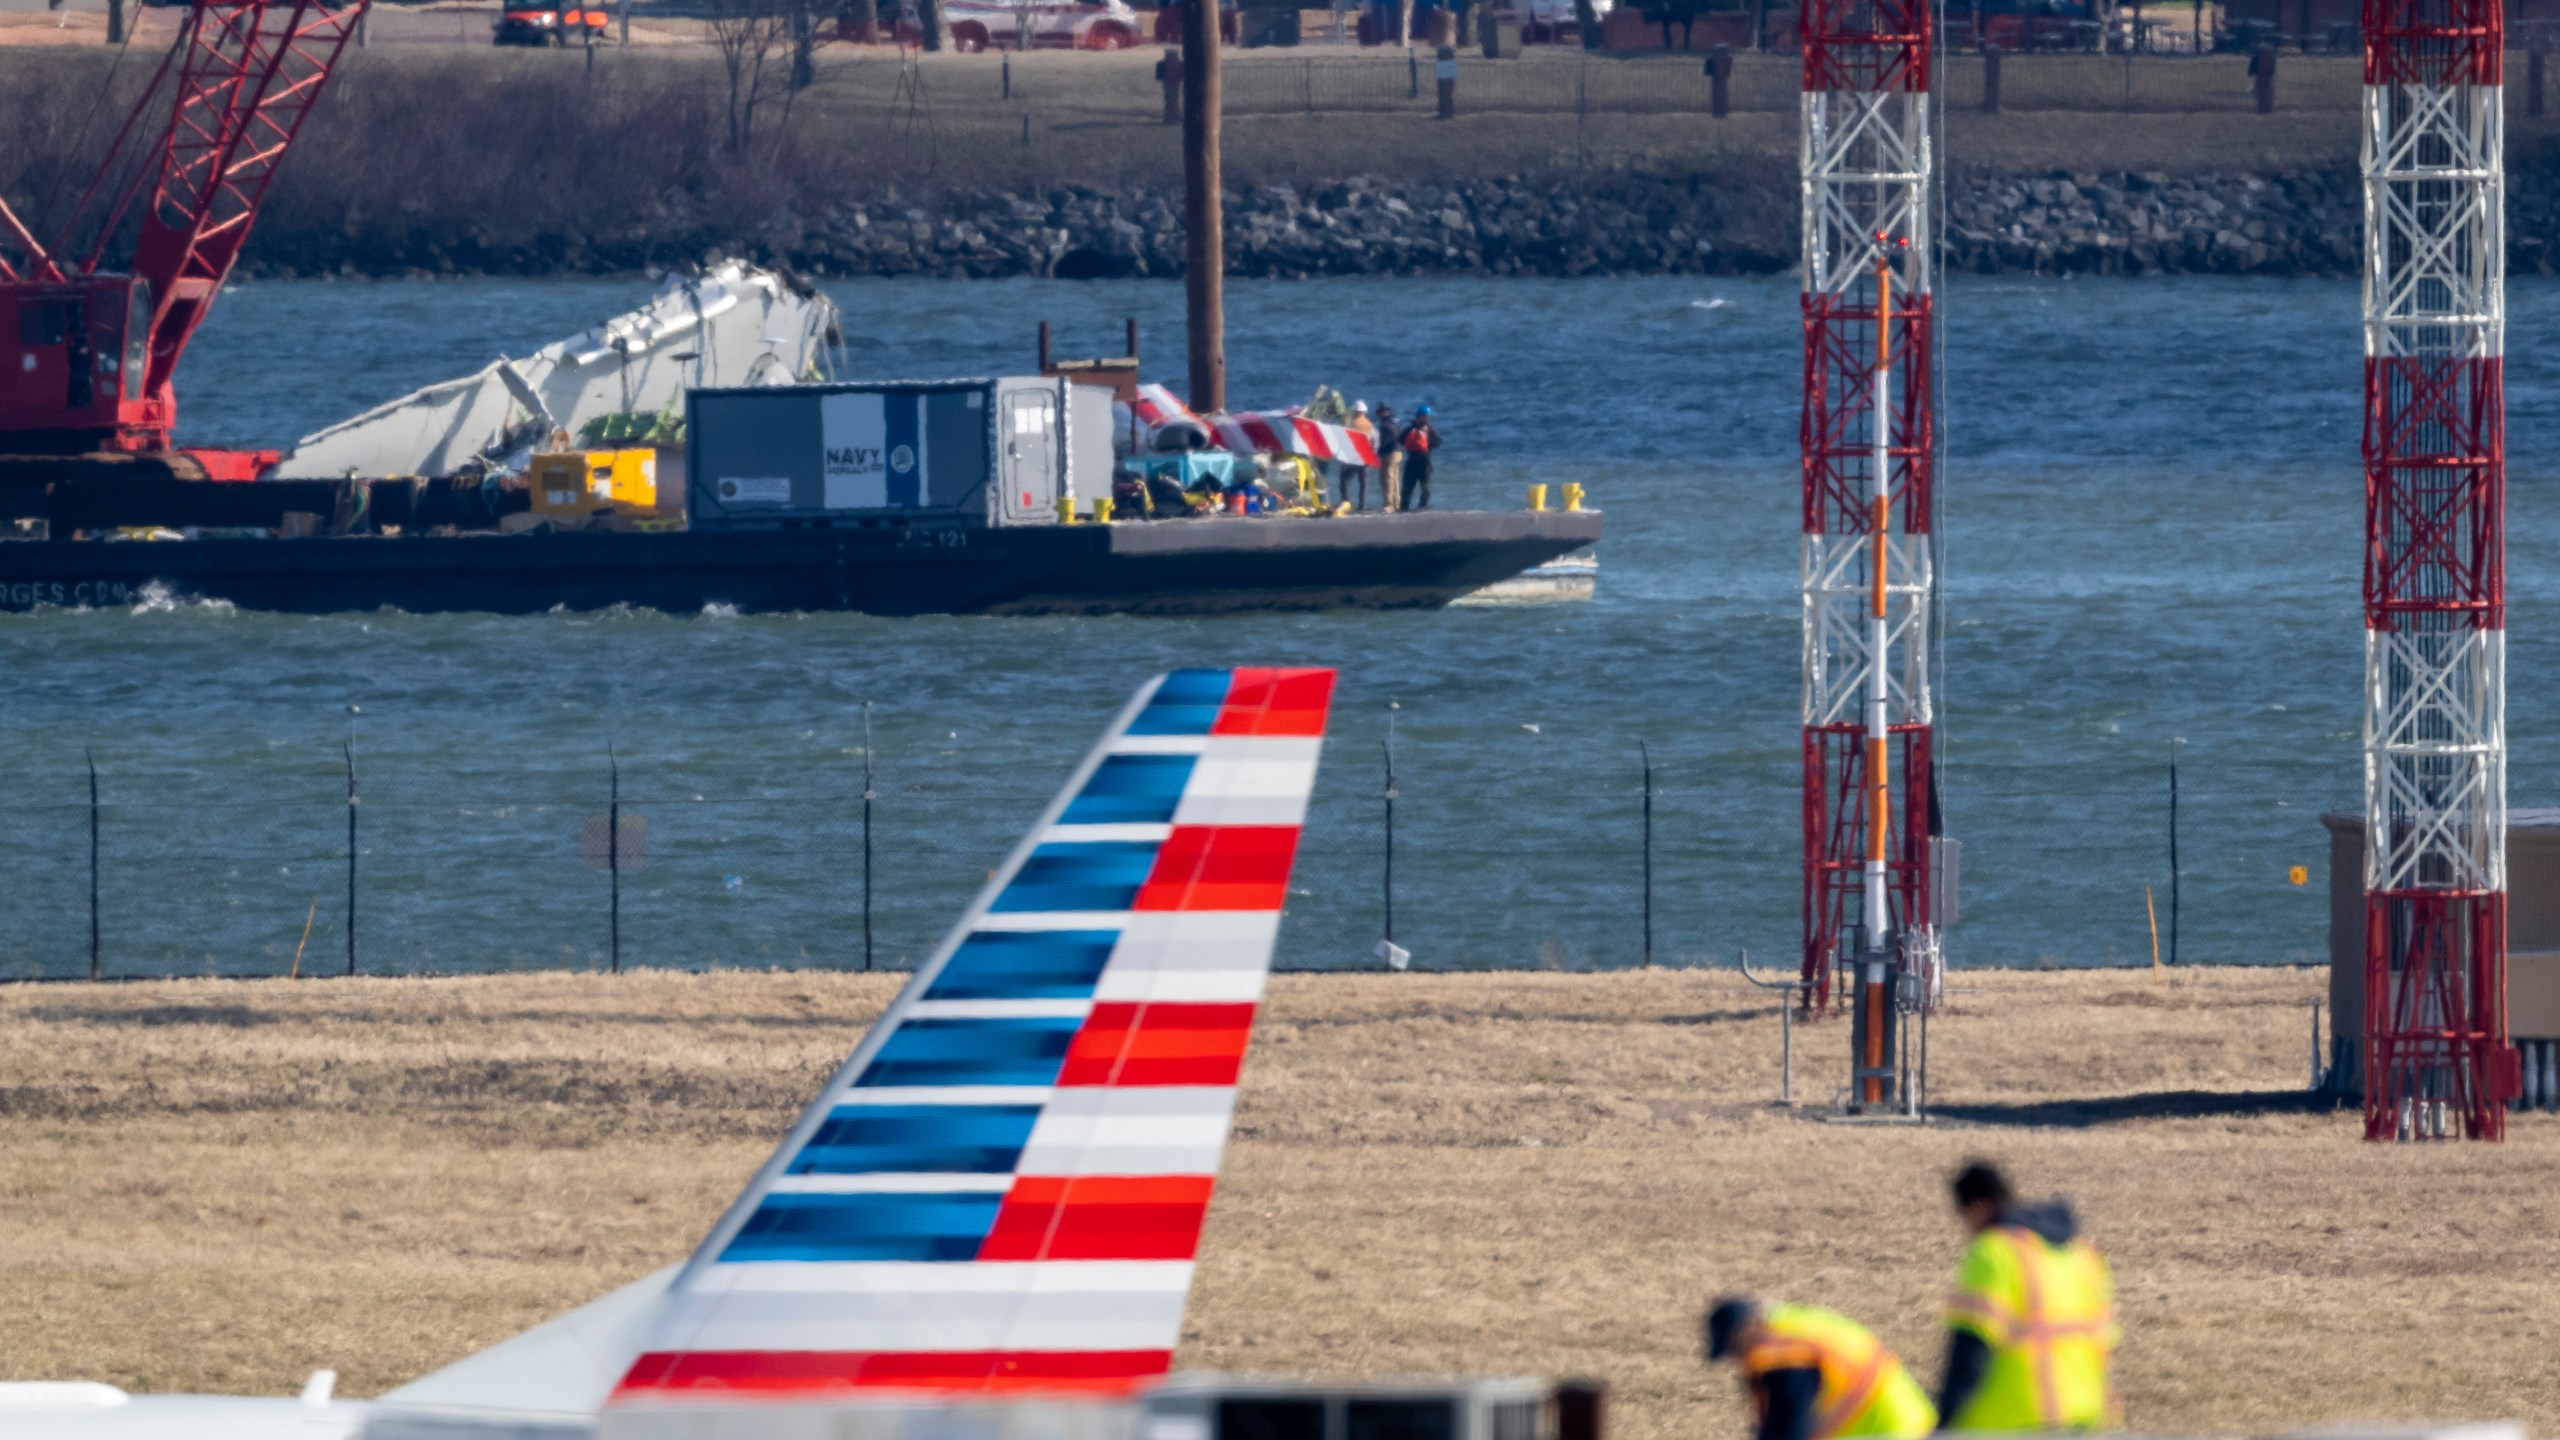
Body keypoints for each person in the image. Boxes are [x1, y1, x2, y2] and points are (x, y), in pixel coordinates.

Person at [1938, 1162, 2117, 1434]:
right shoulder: (2083, 1253)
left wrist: (1944, 1422)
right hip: (2084, 1417)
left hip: (2016, 1422)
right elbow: (2103, 1343)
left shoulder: (1994, 1251)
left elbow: (1970, 1351)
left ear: (1976, 1207)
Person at [1702, 1296, 1936, 1440]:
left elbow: (1793, 1425)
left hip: (1888, 1429)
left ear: (1749, 1330)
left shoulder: (1783, 1354)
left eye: (1734, 1349)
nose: (1737, 1359)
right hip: (1906, 1420)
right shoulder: (1788, 1326)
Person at [1400, 403, 1440, 510]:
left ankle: (1423, 505)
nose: (1425, 419)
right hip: (1412, 460)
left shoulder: (1429, 430)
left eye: (1426, 417)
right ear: (1418, 416)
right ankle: (1404, 506)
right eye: (1423, 416)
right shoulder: (1410, 429)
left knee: (1425, 486)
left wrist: (1427, 440)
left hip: (1425, 460)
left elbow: (1437, 442)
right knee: (1408, 486)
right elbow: (1400, 439)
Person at [1342, 401, 1378, 511]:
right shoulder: (1370, 425)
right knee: (1363, 482)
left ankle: (1346, 503)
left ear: (1355, 412)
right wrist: (1373, 454)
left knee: (1345, 479)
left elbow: (1345, 439)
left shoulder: (1351, 424)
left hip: (1354, 456)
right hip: (1365, 456)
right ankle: (1362, 506)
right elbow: (1375, 440)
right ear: (1364, 412)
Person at [1373, 403, 1403, 512]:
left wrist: (1378, 450)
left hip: (1389, 452)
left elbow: (1386, 439)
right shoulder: (1396, 421)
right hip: (1398, 451)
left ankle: (1389, 505)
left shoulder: (1384, 424)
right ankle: (1397, 503)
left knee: (1387, 478)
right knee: (1395, 478)